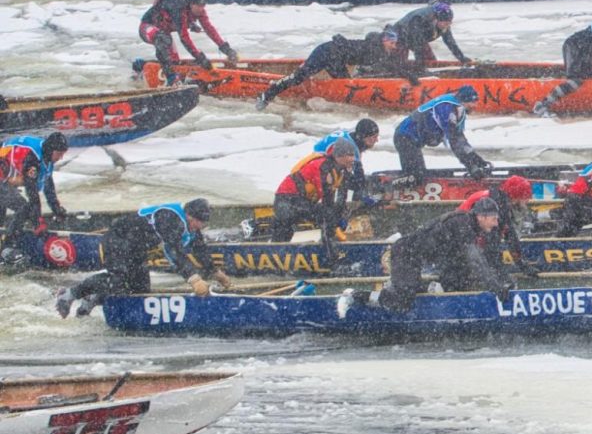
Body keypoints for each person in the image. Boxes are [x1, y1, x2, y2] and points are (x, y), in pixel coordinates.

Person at [53, 199, 230, 318]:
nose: (199, 226)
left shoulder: (190, 227)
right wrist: (194, 278)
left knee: (140, 291)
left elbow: (200, 249)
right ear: (189, 215)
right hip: (118, 241)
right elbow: (173, 252)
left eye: (202, 224)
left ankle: (95, 297)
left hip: (136, 249)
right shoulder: (171, 218)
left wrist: (216, 272)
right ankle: (69, 295)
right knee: (119, 280)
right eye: (198, 222)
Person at [338, 197, 502, 317]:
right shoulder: (463, 224)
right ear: (481, 216)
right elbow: (475, 260)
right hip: (405, 253)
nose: (496, 224)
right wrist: (495, 286)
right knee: (402, 302)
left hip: (417, 257)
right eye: (494, 219)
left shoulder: (470, 226)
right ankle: (355, 296)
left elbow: (462, 259)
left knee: (456, 280)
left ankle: (422, 288)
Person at [256, 29, 411, 109]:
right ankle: (266, 94)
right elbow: (384, 67)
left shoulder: (377, 48)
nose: (394, 46)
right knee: (299, 77)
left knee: (343, 83)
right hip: (327, 52)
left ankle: (331, 99)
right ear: (384, 41)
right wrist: (408, 77)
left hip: (335, 57)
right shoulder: (376, 50)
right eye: (392, 43)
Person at [270, 135, 357, 266]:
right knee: (324, 215)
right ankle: (330, 257)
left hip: (301, 201)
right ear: (339, 156)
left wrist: (341, 216)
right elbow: (327, 200)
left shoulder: (342, 170)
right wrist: (332, 222)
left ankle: (280, 251)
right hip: (286, 201)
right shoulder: (324, 167)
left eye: (353, 155)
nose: (353, 159)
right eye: (349, 155)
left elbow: (341, 199)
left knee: (328, 215)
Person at [393, 86, 492, 186]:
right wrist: (471, 166)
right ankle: (389, 187)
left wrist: (475, 159)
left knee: (420, 174)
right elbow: (454, 139)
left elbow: (460, 139)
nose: (475, 106)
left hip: (412, 139)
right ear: (464, 101)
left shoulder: (458, 108)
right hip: (405, 137)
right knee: (416, 177)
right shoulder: (447, 108)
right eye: (472, 102)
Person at [139, 0, 238, 85]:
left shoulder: (199, 11)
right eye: (198, 5)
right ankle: (171, 80)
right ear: (190, 4)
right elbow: (184, 39)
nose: (201, 8)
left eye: (203, 5)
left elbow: (209, 29)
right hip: (147, 28)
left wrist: (226, 49)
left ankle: (140, 65)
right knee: (163, 39)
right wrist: (200, 58)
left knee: (174, 63)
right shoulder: (179, 9)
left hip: (164, 33)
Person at [0, 133, 69, 264]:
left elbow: (49, 187)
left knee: (8, 207)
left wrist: (57, 209)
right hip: (3, 177)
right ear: (51, 149)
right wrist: (38, 222)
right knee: (23, 206)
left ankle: (5, 234)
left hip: (5, 176)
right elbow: (32, 194)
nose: (61, 157)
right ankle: (7, 247)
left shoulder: (47, 157)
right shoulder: (33, 159)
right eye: (59, 153)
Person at [456, 175, 539, 282]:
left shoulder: (500, 200)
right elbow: (492, 244)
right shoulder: (497, 205)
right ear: (517, 196)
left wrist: (521, 263)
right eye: (525, 197)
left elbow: (510, 236)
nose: (528, 201)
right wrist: (502, 273)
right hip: (462, 243)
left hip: (466, 239)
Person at [313, 119, 382, 206]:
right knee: (350, 181)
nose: (377, 140)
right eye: (374, 137)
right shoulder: (351, 147)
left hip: (318, 159)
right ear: (364, 137)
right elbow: (359, 178)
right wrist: (365, 196)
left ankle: (340, 207)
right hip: (320, 167)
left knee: (349, 179)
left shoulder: (352, 136)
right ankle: (342, 208)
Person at [391, 0, 472, 73]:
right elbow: (417, 44)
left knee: (431, 62)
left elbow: (450, 42)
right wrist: (419, 64)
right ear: (436, 19)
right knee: (400, 64)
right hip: (400, 37)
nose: (446, 26)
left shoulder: (444, 24)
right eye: (445, 23)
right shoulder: (418, 19)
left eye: (449, 23)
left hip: (419, 38)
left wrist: (461, 58)